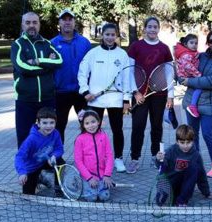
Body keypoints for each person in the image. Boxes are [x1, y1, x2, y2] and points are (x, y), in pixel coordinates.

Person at [78, 23, 134, 173]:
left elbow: (127, 77)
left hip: (116, 99)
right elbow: (82, 73)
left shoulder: (122, 55)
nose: (110, 37)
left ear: (116, 36)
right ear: (102, 35)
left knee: (118, 130)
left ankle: (119, 159)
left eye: (112, 35)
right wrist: (85, 92)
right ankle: (93, 159)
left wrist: (126, 99)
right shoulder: (93, 53)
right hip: (95, 100)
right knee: (91, 130)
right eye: (107, 34)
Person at [180, 29, 212, 177]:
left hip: (209, 103)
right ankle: (195, 164)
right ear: (207, 42)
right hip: (192, 102)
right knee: (191, 135)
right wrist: (181, 76)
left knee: (208, 134)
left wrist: (190, 81)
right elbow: (185, 67)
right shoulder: (200, 56)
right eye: (211, 41)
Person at [126, 16, 174, 174]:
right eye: (150, 26)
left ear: (158, 29)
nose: (152, 29)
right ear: (144, 28)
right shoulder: (136, 46)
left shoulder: (164, 48)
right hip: (140, 94)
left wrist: (170, 95)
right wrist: (135, 92)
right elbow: (130, 71)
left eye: (155, 27)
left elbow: (168, 73)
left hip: (159, 94)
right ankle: (134, 158)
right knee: (138, 126)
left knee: (157, 126)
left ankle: (156, 156)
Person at [11, 12, 63, 148]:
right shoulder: (17, 44)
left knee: (48, 133)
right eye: (28, 23)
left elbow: (59, 61)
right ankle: (27, 167)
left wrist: (37, 61)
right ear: (22, 25)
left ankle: (47, 164)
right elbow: (22, 68)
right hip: (26, 99)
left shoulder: (46, 44)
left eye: (35, 22)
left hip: (47, 98)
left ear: (39, 24)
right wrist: (47, 67)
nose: (31, 26)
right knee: (25, 135)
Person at [51, 9, 91, 143]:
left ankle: (88, 157)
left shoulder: (84, 43)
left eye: (70, 19)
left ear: (74, 22)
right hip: (60, 92)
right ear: (59, 23)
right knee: (59, 126)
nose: (67, 22)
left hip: (81, 92)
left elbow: (91, 68)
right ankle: (58, 158)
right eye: (64, 19)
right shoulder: (52, 44)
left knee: (88, 125)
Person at [155, 125, 212, 206]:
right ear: (177, 141)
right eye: (182, 143)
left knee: (194, 169)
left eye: (188, 142)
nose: (185, 146)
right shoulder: (170, 151)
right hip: (169, 183)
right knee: (160, 203)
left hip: (184, 187)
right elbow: (162, 167)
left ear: (193, 141)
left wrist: (206, 192)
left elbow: (201, 175)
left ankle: (181, 201)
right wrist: (159, 159)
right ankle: (168, 195)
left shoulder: (195, 155)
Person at [14, 107, 64, 195]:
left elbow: (59, 148)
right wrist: (22, 172)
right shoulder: (31, 139)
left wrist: (54, 156)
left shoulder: (55, 133)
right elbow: (19, 157)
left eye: (52, 122)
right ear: (38, 123)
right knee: (28, 195)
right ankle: (39, 179)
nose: (48, 126)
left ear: (55, 122)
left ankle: (58, 188)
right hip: (32, 167)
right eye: (44, 123)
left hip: (46, 161)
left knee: (60, 162)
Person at [74, 110, 114, 202]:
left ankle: (100, 185)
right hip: (88, 176)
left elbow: (109, 156)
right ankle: (80, 183)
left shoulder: (103, 135)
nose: (91, 125)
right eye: (87, 123)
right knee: (91, 198)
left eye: (93, 122)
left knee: (104, 197)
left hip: (102, 175)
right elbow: (78, 161)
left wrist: (107, 175)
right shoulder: (80, 139)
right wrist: (89, 178)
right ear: (83, 125)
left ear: (98, 122)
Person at [174, 34, 202, 118]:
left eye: (196, 43)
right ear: (186, 44)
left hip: (188, 75)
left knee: (196, 89)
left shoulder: (191, 53)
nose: (194, 45)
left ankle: (193, 104)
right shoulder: (186, 54)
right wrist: (198, 74)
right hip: (186, 76)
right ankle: (192, 105)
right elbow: (188, 66)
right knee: (199, 87)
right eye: (192, 43)